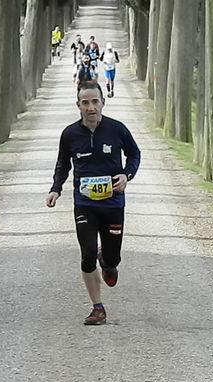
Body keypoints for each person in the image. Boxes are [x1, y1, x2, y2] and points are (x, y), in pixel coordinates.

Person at [45, 81, 141, 325]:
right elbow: (62, 165)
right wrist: (56, 189)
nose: (91, 107)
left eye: (95, 101)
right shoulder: (70, 134)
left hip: (113, 204)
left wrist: (126, 175)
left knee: (112, 259)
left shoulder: (117, 129)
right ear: (78, 106)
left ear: (102, 103)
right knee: (87, 255)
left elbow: (134, 154)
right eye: (85, 103)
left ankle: (107, 262)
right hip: (84, 204)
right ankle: (97, 307)